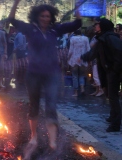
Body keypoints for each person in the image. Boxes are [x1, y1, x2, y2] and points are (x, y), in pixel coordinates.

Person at [9, 0, 82, 159]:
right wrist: (15, 3)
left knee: (51, 105)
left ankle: (53, 141)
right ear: (37, 16)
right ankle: (33, 137)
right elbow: (12, 20)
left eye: (48, 16)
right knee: (34, 105)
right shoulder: (30, 29)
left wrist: (77, 7)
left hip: (51, 73)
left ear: (51, 17)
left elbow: (77, 24)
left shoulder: (55, 29)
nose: (45, 19)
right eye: (42, 16)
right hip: (33, 73)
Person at [80, 18, 121, 132]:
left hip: (113, 72)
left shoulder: (111, 38)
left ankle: (115, 124)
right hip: (107, 71)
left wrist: (114, 69)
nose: (95, 27)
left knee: (113, 97)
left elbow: (119, 54)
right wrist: (82, 57)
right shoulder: (102, 38)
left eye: (97, 25)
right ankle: (113, 117)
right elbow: (93, 53)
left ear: (103, 26)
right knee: (109, 94)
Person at [68, 29, 90, 96]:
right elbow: (88, 49)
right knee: (82, 75)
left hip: (74, 59)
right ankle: (82, 89)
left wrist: (68, 58)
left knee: (74, 76)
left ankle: (76, 92)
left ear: (74, 33)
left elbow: (71, 50)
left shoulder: (72, 39)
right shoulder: (86, 38)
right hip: (83, 59)